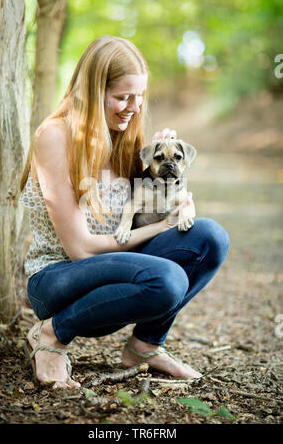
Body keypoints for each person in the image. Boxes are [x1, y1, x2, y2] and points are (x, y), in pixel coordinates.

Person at [19, 35, 230, 389]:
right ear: (92, 89)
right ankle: (50, 335)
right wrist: (163, 226)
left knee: (210, 237)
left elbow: (147, 207)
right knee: (166, 279)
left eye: (140, 97)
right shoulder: (54, 137)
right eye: (123, 97)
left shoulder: (124, 136)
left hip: (119, 273)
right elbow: (80, 250)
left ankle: (145, 345)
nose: (134, 107)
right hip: (58, 279)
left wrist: (168, 175)